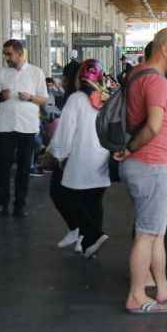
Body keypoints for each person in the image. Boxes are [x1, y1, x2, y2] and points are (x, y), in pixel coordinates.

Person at [120, 28, 167, 315]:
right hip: (150, 165)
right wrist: (132, 147)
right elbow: (154, 125)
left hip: (149, 165)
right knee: (147, 233)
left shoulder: (137, 73)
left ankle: (162, 287)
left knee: (157, 232)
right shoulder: (157, 81)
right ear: (165, 49)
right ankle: (136, 295)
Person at [50, 60, 112, 258]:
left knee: (71, 197)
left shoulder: (77, 98)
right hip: (103, 156)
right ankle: (88, 245)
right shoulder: (105, 97)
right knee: (94, 202)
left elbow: (66, 129)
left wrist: (60, 154)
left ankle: (94, 235)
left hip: (81, 157)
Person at [0, 39, 49, 218]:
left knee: (24, 168)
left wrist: (30, 97)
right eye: (5, 54)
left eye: (9, 54)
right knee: (4, 167)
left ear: (20, 53)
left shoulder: (36, 72)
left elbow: (44, 99)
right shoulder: (1, 73)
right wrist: (2, 95)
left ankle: (20, 205)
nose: (6, 57)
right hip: (5, 126)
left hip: (27, 126)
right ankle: (1, 204)